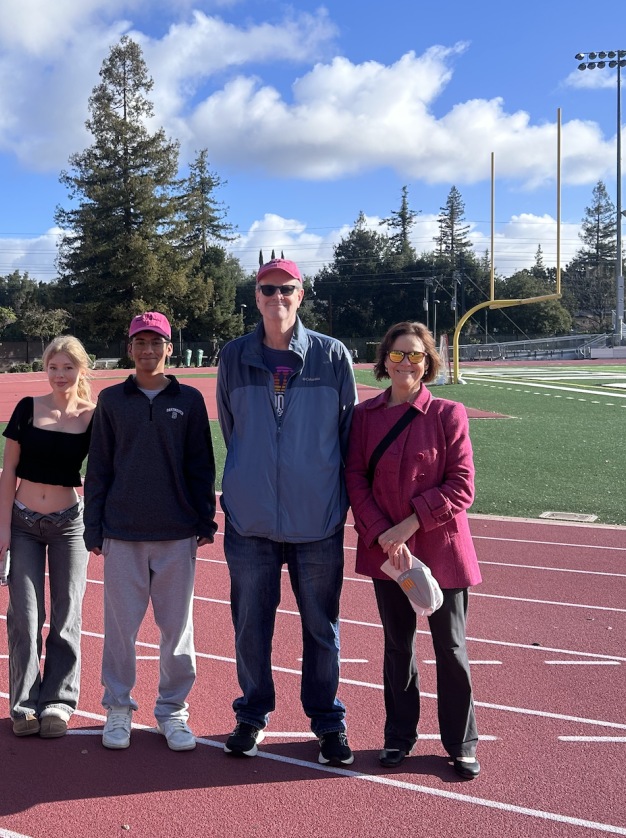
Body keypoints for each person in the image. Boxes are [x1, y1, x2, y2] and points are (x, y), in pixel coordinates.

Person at [216, 258, 358, 765]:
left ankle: (327, 723)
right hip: (251, 520)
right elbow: (232, 432)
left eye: (287, 289)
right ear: (255, 296)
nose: (277, 297)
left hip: (316, 519)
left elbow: (347, 439)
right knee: (251, 626)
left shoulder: (332, 356)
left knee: (322, 627)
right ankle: (252, 715)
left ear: (302, 295)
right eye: (267, 289)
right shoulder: (233, 357)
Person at [344, 321, 483, 779]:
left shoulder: (448, 414)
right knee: (397, 647)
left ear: (429, 363)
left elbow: (462, 486)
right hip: (389, 552)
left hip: (441, 549)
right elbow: (355, 479)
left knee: (452, 647)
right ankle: (399, 738)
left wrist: (407, 524)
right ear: (384, 360)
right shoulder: (364, 417)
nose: (406, 363)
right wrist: (383, 531)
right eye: (398, 354)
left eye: (416, 355)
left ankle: (460, 743)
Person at [83, 312, 217, 752]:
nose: (147, 350)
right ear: (130, 349)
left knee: (177, 629)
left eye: (155, 342)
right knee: (121, 629)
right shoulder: (111, 399)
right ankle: (118, 707)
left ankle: (172, 710)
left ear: (169, 348)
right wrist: (94, 525)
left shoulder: (191, 399)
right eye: (139, 342)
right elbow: (99, 466)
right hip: (122, 532)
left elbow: (201, 466)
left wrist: (204, 518)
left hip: (176, 532)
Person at [0, 336, 96, 738]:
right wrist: (2, 526)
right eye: (53, 366)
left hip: (70, 524)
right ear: (45, 368)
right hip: (22, 524)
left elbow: (103, 472)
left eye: (68, 367)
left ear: (81, 370)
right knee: (26, 617)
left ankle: (58, 702)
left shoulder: (92, 416)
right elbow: (8, 473)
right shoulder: (27, 409)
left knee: (67, 614)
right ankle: (23, 706)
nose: (60, 375)